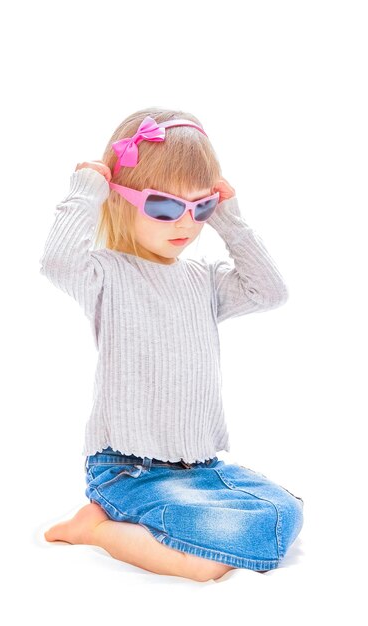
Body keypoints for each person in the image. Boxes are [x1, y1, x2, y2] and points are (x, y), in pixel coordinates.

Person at [39, 107, 304, 583]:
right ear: (120, 200)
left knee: (284, 511)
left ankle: (175, 526)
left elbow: (270, 292)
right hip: (127, 469)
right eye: (163, 207)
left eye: (199, 207)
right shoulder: (105, 275)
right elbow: (57, 262)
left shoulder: (202, 280)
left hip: (197, 467)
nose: (186, 222)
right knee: (206, 566)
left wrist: (229, 219)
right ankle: (98, 529)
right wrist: (86, 191)